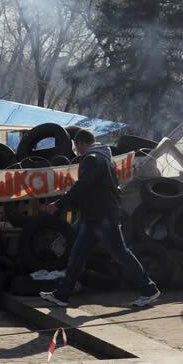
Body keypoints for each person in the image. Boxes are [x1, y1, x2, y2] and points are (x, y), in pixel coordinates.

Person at [39, 129, 160, 307]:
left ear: (81, 143)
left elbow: (82, 186)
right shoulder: (104, 158)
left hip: (102, 216)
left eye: (76, 146)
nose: (76, 150)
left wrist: (58, 204)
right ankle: (62, 295)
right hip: (95, 216)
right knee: (78, 255)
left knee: (121, 254)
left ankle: (149, 289)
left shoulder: (92, 159)